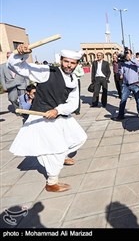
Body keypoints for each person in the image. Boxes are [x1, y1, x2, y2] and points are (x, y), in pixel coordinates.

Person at [8, 45, 87, 192]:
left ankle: (62, 156)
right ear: (61, 61)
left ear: (76, 64)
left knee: (79, 137)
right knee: (55, 149)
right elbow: (18, 67)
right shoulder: (46, 71)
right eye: (66, 62)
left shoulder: (73, 79)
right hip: (42, 116)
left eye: (72, 63)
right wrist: (20, 54)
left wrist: (58, 110)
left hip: (59, 115)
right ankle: (52, 182)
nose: (69, 65)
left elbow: (73, 102)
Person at [112, 49, 139, 121]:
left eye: (128, 53)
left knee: (138, 100)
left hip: (135, 84)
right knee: (123, 100)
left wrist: (131, 59)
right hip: (126, 85)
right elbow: (121, 71)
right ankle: (120, 115)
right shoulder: (123, 63)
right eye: (126, 53)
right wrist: (121, 73)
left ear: (131, 54)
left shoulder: (134, 61)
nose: (126, 54)